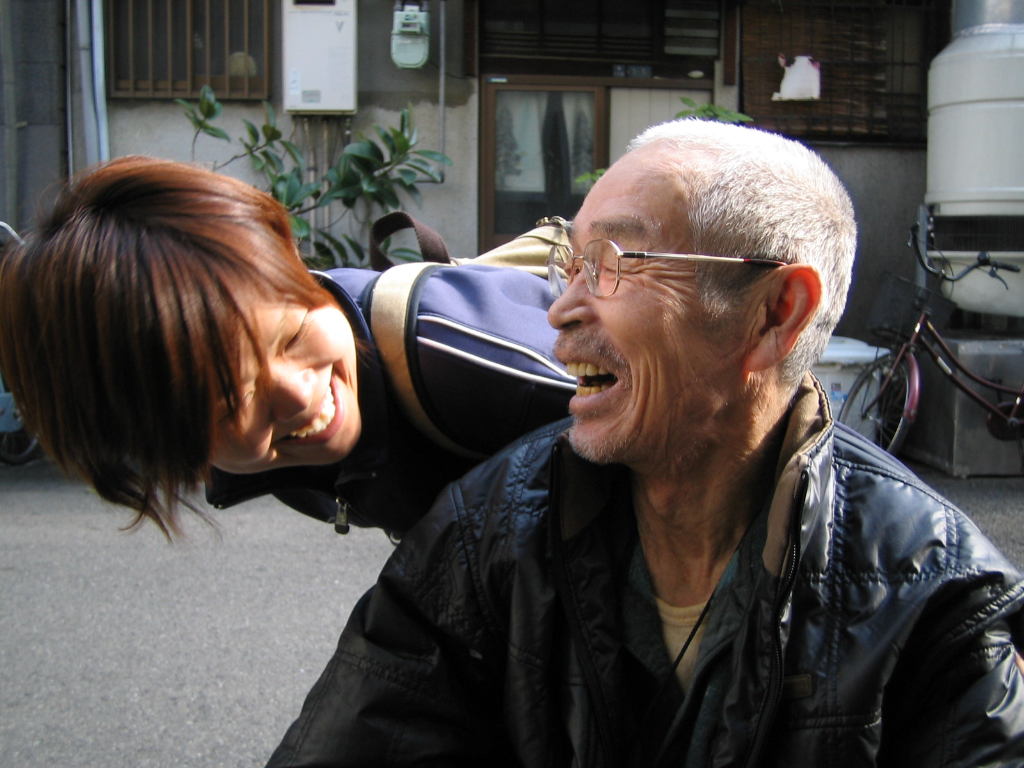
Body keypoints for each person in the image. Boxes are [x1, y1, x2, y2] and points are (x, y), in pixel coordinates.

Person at [265, 119, 1024, 767]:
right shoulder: (482, 537)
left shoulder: (938, 606)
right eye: (570, 263)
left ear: (774, 315)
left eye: (614, 264)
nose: (559, 309)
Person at [0, 156, 574, 538]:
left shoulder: (458, 355)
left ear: (299, 269)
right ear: (159, 445)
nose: (300, 395)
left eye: (294, 334)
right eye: (234, 404)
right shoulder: (289, 452)